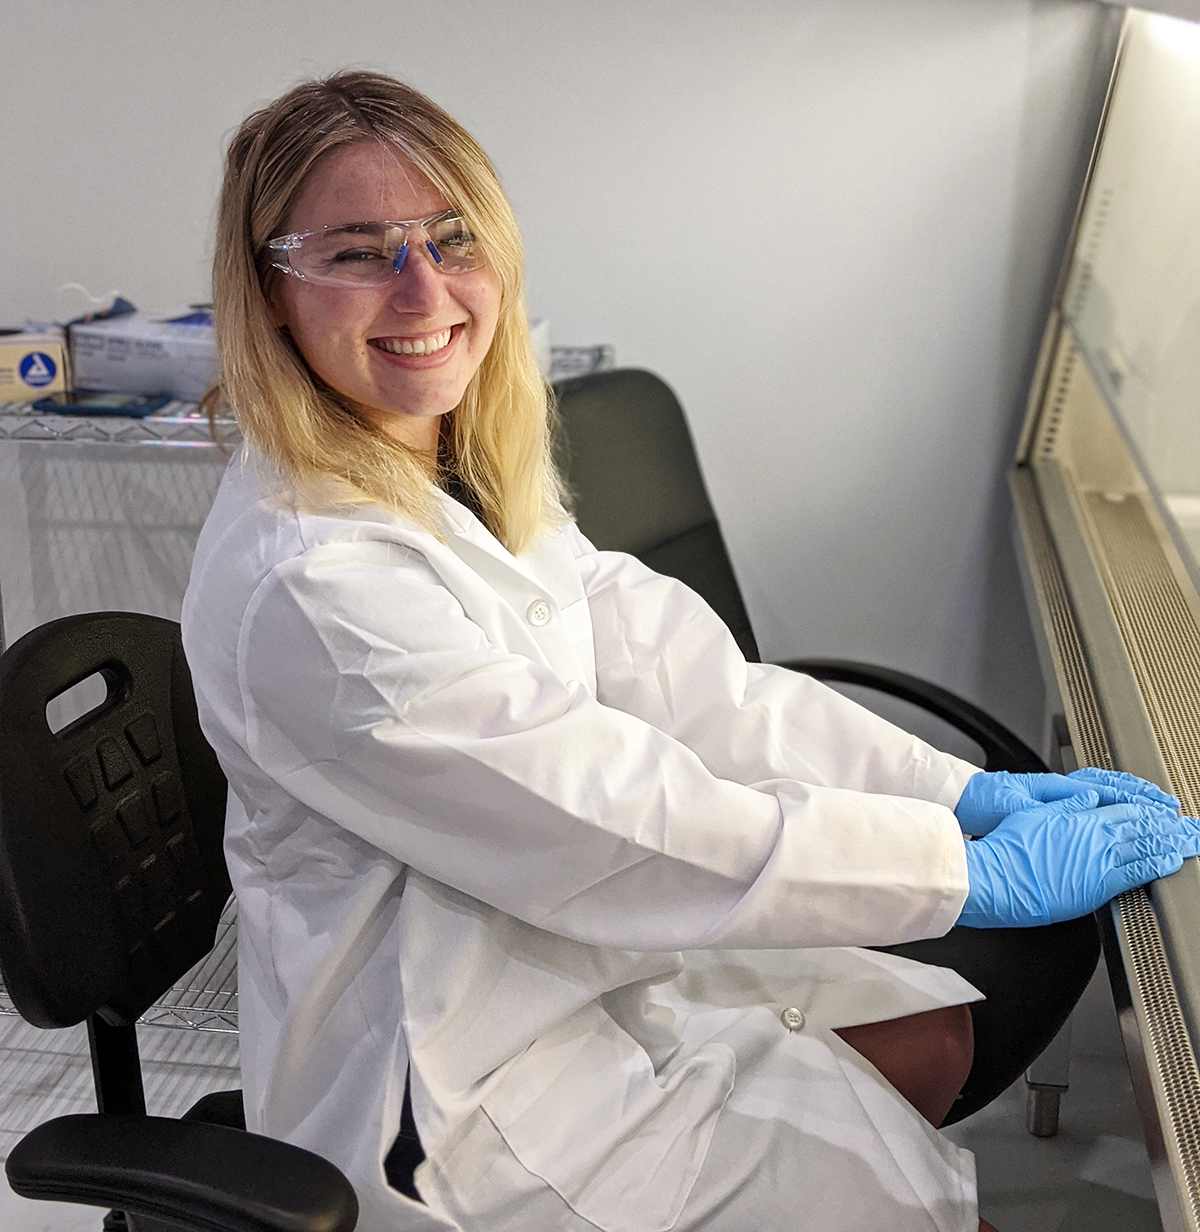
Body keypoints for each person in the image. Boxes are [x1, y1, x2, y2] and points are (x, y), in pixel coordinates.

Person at [182, 71, 1200, 1232]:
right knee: (916, 1195)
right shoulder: (314, 581)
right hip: (455, 1092)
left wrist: (956, 791)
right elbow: (616, 814)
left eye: (451, 236)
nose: (423, 285)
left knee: (927, 1034)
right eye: (358, 252)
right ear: (269, 290)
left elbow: (685, 676)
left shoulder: (445, 458)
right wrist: (964, 868)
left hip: (564, 965)